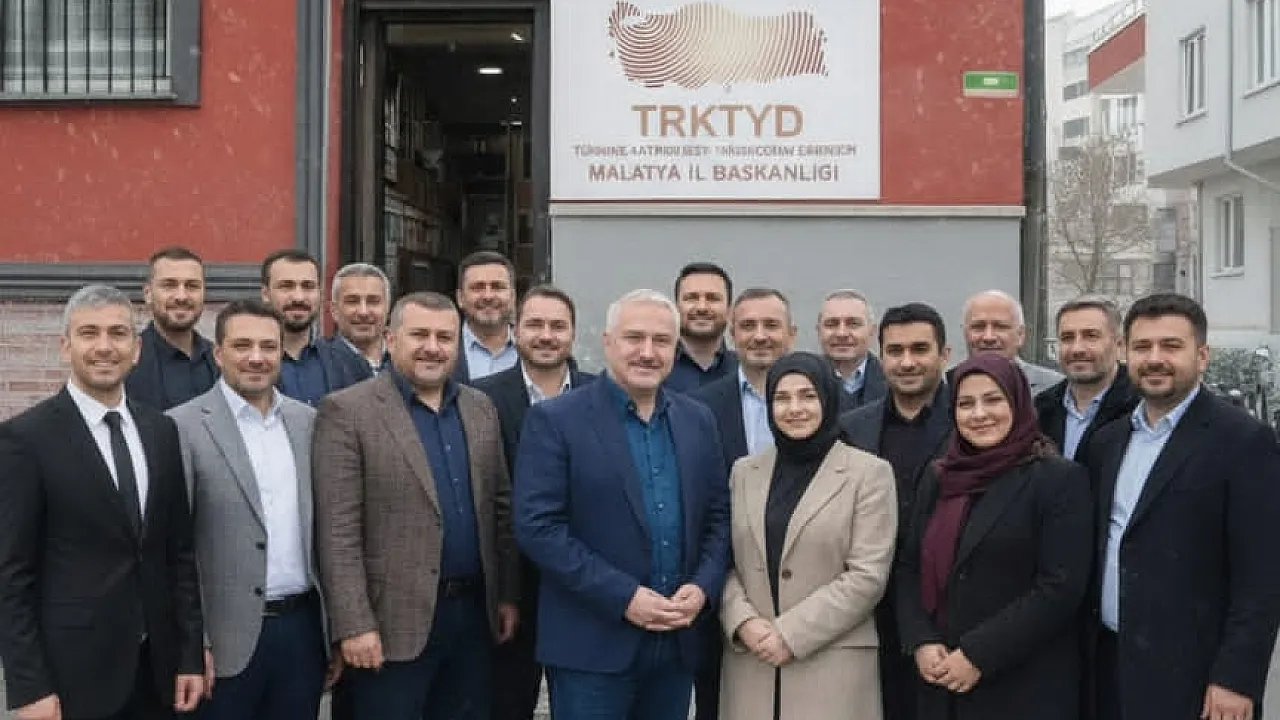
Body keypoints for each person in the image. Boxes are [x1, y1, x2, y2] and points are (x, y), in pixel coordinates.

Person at [514, 289, 731, 719]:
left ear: (675, 349)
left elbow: (718, 518)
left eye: (661, 341)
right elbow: (538, 528)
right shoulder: (556, 420)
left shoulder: (697, 419)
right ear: (607, 342)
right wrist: (623, 596)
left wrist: (703, 588)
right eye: (634, 338)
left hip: (675, 641)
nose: (647, 352)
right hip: (592, 646)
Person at [0, 284, 205, 720]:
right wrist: (29, 688)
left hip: (157, 674)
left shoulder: (161, 432)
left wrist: (188, 655)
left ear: (136, 349)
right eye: (89, 333)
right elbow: (11, 575)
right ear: (65, 347)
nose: (104, 347)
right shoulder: (25, 440)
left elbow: (179, 554)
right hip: (72, 679)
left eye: (118, 333)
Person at [313, 291, 520, 719]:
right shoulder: (348, 411)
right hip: (389, 626)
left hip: (472, 620)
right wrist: (354, 624)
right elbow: (337, 531)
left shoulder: (480, 408)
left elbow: (500, 509)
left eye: (444, 337)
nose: (432, 347)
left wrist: (506, 595)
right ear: (390, 339)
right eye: (419, 335)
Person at [1086, 293, 1280, 720]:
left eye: (1171, 346)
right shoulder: (1107, 442)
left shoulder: (1244, 441)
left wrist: (1236, 678)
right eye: (1142, 347)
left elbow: (1262, 576)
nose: (1155, 358)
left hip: (1199, 680)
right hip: (1112, 666)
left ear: (1202, 355)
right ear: (1125, 353)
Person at [897, 353, 1092, 720]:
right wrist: (921, 639)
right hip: (942, 681)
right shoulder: (940, 477)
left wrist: (977, 654)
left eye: (992, 400)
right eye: (965, 404)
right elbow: (909, 565)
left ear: (1017, 403)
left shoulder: (1057, 480)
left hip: (1021, 684)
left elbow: (1060, 588)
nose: (979, 414)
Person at [167, 299, 336, 719]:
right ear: (218, 353)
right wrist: (193, 643)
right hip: (223, 640)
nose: (257, 358)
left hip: (301, 633)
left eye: (268, 346)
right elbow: (173, 547)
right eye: (242, 346)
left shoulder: (309, 422)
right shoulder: (181, 427)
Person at [719, 352, 897, 720]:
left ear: (828, 400)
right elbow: (726, 561)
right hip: (752, 664)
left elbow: (867, 576)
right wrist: (742, 622)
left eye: (807, 396)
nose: (794, 408)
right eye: (782, 398)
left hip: (832, 667)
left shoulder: (869, 474)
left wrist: (790, 634)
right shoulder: (744, 472)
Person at [473, 285, 596, 720]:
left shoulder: (601, 394)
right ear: (515, 330)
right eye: (535, 325)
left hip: (587, 584)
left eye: (557, 326)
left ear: (573, 333)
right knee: (507, 703)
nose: (546, 335)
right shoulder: (479, 398)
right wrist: (502, 590)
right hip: (511, 585)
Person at [840, 302, 953, 720]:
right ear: (880, 355)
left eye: (920, 349)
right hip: (871, 613)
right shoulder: (852, 427)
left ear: (944, 354)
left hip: (949, 616)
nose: (907, 362)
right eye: (895, 351)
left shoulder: (970, 422)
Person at [1033, 296, 1137, 461]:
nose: (1077, 349)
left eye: (1091, 336)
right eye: (1067, 338)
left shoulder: (1142, 407)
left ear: (1119, 345)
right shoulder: (1040, 409)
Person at [127, 246, 219, 410]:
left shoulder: (221, 361)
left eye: (192, 286)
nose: (181, 296)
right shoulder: (127, 362)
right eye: (169, 285)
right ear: (148, 294)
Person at [959, 290, 1062, 396]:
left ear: (1020, 335)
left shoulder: (1056, 388)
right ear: (964, 333)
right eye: (978, 327)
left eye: (1000, 327)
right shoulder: (951, 387)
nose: (989, 337)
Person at [665, 262, 738, 394]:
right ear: (676, 308)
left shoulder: (744, 372)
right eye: (691, 298)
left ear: (729, 310)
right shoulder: (655, 368)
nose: (701, 307)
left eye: (713, 298)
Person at [452, 251, 519, 383]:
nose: (488, 296)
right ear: (460, 298)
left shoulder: (531, 347)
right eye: (477, 288)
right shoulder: (440, 348)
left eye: (497, 287)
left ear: (512, 297)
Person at [816, 289, 887, 411]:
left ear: (872, 331)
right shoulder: (801, 382)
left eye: (853, 324)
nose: (841, 333)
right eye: (831, 324)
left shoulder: (893, 382)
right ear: (819, 331)